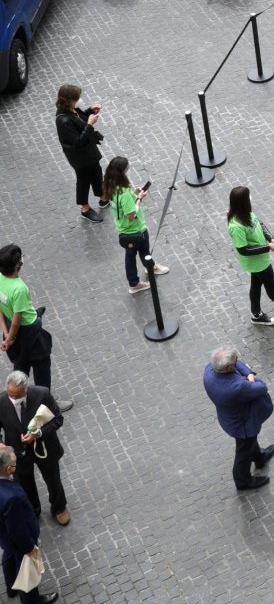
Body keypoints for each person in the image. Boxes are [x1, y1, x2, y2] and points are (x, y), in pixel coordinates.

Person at [226, 186, 274, 326]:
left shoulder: (246, 212)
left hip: (260, 259)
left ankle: (255, 314)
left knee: (256, 285)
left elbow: (260, 224)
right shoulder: (236, 226)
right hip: (257, 263)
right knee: (271, 288)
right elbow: (243, 250)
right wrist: (267, 247)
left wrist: (270, 238)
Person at [202, 347, 274, 493]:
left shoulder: (210, 369)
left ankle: (259, 457)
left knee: (250, 443)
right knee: (244, 451)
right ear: (229, 368)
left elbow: (238, 364)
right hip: (243, 425)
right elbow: (261, 387)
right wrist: (251, 379)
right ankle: (243, 481)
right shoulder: (237, 387)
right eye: (234, 363)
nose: (237, 362)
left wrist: (247, 373)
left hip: (230, 418)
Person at [1, 371, 70, 523]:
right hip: (18, 452)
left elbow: (58, 419)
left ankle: (59, 507)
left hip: (44, 447)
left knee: (53, 479)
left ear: (26, 390)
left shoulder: (42, 394)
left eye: (17, 395)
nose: (13, 399)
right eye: (10, 395)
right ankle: (33, 510)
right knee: (25, 483)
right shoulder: (2, 401)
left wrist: (37, 434)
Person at [0, 444, 56, 604]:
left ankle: (11, 587)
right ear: (8, 469)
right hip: (17, 538)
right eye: (15, 464)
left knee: (9, 556)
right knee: (25, 565)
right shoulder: (11, 499)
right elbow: (18, 530)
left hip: (4, 536)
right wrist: (29, 547)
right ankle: (31, 601)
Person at [103, 158, 168, 295]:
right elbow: (131, 214)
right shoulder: (124, 193)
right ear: (122, 171)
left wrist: (134, 193)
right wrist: (139, 198)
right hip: (135, 229)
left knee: (133, 254)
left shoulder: (111, 186)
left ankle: (148, 268)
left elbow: (121, 206)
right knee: (142, 251)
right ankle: (138, 280)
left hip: (123, 229)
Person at [0, 248, 56, 387]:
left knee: (20, 365)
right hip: (29, 331)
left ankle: (17, 399)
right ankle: (44, 402)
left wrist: (7, 336)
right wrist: (10, 337)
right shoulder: (19, 289)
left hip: (10, 330)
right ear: (18, 265)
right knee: (42, 364)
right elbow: (17, 321)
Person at [55, 86, 106, 224]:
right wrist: (90, 125)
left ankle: (103, 197)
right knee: (83, 180)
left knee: (96, 173)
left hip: (89, 152)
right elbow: (78, 142)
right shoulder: (63, 120)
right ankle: (85, 208)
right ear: (70, 100)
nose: (78, 101)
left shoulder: (72, 110)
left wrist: (89, 111)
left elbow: (80, 120)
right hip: (79, 157)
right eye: (76, 98)